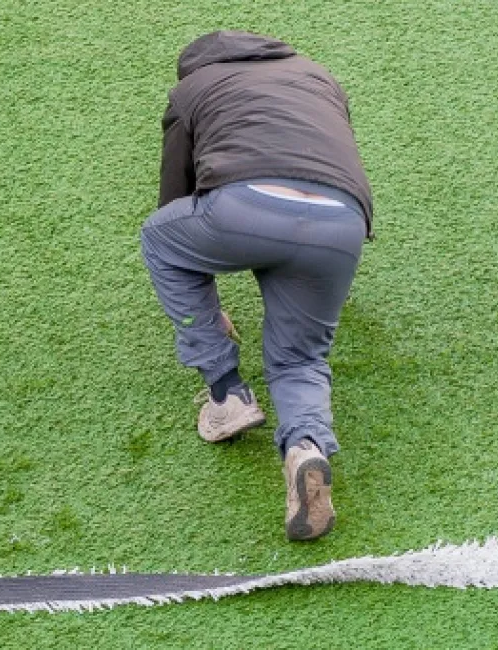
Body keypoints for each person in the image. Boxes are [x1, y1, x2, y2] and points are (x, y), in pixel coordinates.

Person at [140, 31, 374, 542]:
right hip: (341, 223)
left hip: (247, 210)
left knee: (160, 239)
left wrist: (205, 303)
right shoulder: (317, 75)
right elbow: (338, 154)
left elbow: (174, 191)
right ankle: (306, 448)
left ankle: (226, 394)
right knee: (300, 359)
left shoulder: (194, 88)